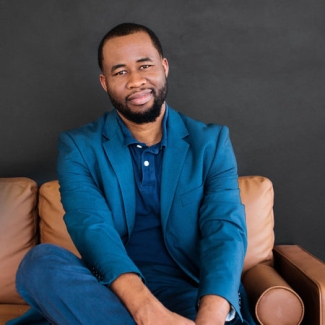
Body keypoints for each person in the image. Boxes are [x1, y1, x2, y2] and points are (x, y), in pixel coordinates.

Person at [7, 23, 256, 325]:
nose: (136, 80)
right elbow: (91, 226)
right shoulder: (79, 147)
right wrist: (145, 310)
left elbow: (225, 229)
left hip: (188, 291)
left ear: (164, 67)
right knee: (39, 263)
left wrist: (211, 317)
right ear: (105, 82)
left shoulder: (211, 143)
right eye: (120, 72)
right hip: (108, 292)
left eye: (144, 65)